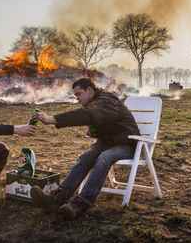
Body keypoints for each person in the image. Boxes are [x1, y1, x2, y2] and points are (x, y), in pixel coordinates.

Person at [30, 78, 140, 219]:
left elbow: (88, 115)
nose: (77, 99)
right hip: (108, 143)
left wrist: (52, 119)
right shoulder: (95, 103)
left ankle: (79, 205)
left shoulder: (106, 101)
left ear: (89, 90)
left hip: (128, 144)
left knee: (104, 157)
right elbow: (95, 121)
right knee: (86, 157)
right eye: (75, 96)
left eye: (79, 94)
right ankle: (56, 199)